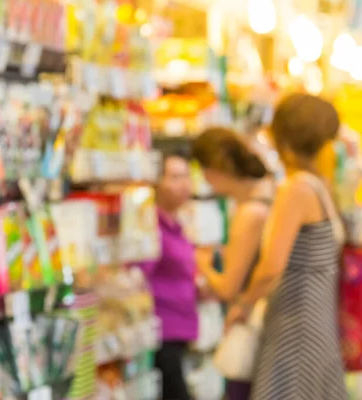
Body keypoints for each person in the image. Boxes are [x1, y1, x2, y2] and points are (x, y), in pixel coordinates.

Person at [226, 93, 347, 399]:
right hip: (318, 321)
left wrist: (244, 305)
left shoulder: (296, 189)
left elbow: (272, 267)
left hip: (294, 324)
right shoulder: (321, 186)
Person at [191, 127, 274, 399]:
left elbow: (228, 287)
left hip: (255, 328)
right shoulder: (267, 196)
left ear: (215, 169)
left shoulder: (250, 213)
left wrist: (203, 263)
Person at [138, 150, 196, 400]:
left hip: (181, 327)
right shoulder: (149, 225)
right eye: (174, 177)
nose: (183, 184)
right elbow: (139, 276)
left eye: (186, 176)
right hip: (162, 329)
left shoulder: (179, 224)